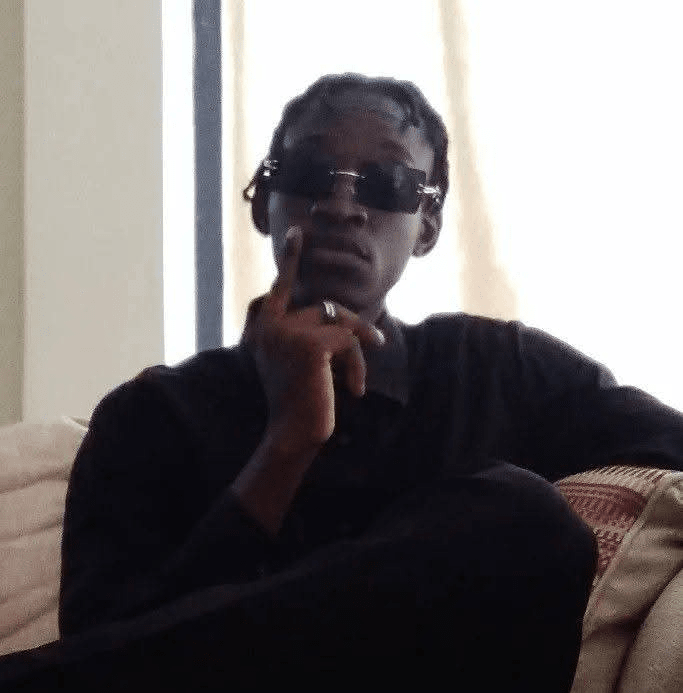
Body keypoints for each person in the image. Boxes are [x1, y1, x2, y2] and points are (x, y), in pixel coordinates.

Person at [3, 73, 683, 692]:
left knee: (523, 521)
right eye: (310, 174)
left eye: (386, 183)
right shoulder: (151, 415)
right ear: (263, 202)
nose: (340, 204)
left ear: (427, 226)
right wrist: (287, 443)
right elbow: (108, 648)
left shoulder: (498, 371)